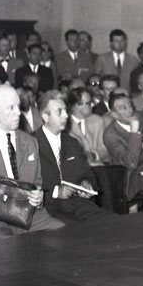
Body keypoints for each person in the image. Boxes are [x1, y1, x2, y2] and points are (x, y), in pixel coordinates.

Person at [0, 84, 65, 239]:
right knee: (9, 247)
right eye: (11, 108)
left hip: (29, 214)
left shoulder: (30, 141)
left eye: (18, 106)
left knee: (63, 234)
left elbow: (37, 182)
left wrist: (38, 196)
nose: (18, 112)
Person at [34, 91, 113, 224]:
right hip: (48, 208)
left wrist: (86, 183)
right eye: (59, 112)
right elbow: (28, 184)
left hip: (75, 203)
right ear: (45, 116)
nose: (66, 115)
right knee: (77, 230)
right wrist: (56, 192)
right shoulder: (31, 143)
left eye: (66, 111)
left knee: (112, 221)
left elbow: (86, 173)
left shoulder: (71, 142)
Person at [102, 92, 143, 210]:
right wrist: (134, 132)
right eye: (123, 108)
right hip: (132, 175)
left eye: (130, 105)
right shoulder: (110, 135)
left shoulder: (140, 116)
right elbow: (130, 163)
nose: (130, 110)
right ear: (114, 114)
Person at [67, 88, 110, 165]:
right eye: (89, 103)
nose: (92, 105)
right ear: (76, 105)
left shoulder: (97, 121)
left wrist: (93, 155)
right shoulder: (65, 125)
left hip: (97, 166)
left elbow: (105, 148)